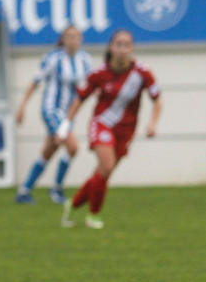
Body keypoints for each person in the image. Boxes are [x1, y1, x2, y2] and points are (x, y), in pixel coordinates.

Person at [59, 29, 161, 229]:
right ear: (111, 47)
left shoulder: (141, 72)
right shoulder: (99, 73)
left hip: (126, 130)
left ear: (132, 48)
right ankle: (93, 215)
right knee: (106, 166)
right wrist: (65, 124)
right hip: (102, 123)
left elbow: (157, 99)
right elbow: (80, 98)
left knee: (103, 173)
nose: (123, 49)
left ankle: (73, 204)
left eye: (127, 45)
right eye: (119, 44)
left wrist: (153, 123)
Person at [15, 26, 92, 205]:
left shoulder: (84, 60)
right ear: (63, 39)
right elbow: (35, 82)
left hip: (68, 114)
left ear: (80, 39)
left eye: (76, 36)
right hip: (51, 110)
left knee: (49, 151)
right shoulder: (52, 58)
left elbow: (87, 87)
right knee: (72, 147)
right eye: (69, 36)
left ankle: (24, 190)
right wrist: (22, 107)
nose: (72, 40)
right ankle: (56, 190)